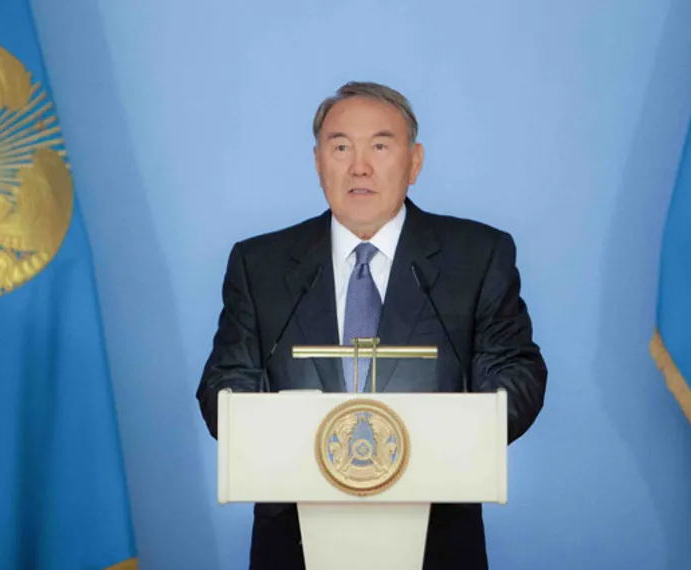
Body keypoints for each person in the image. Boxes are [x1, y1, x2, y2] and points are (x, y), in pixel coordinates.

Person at [196, 81, 547, 570]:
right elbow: (223, 386)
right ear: (318, 162)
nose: (359, 167)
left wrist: (434, 438)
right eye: (341, 147)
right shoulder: (260, 264)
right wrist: (294, 437)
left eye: (380, 146)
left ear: (414, 162)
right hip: (293, 543)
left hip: (437, 538)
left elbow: (517, 376)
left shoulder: (477, 256)